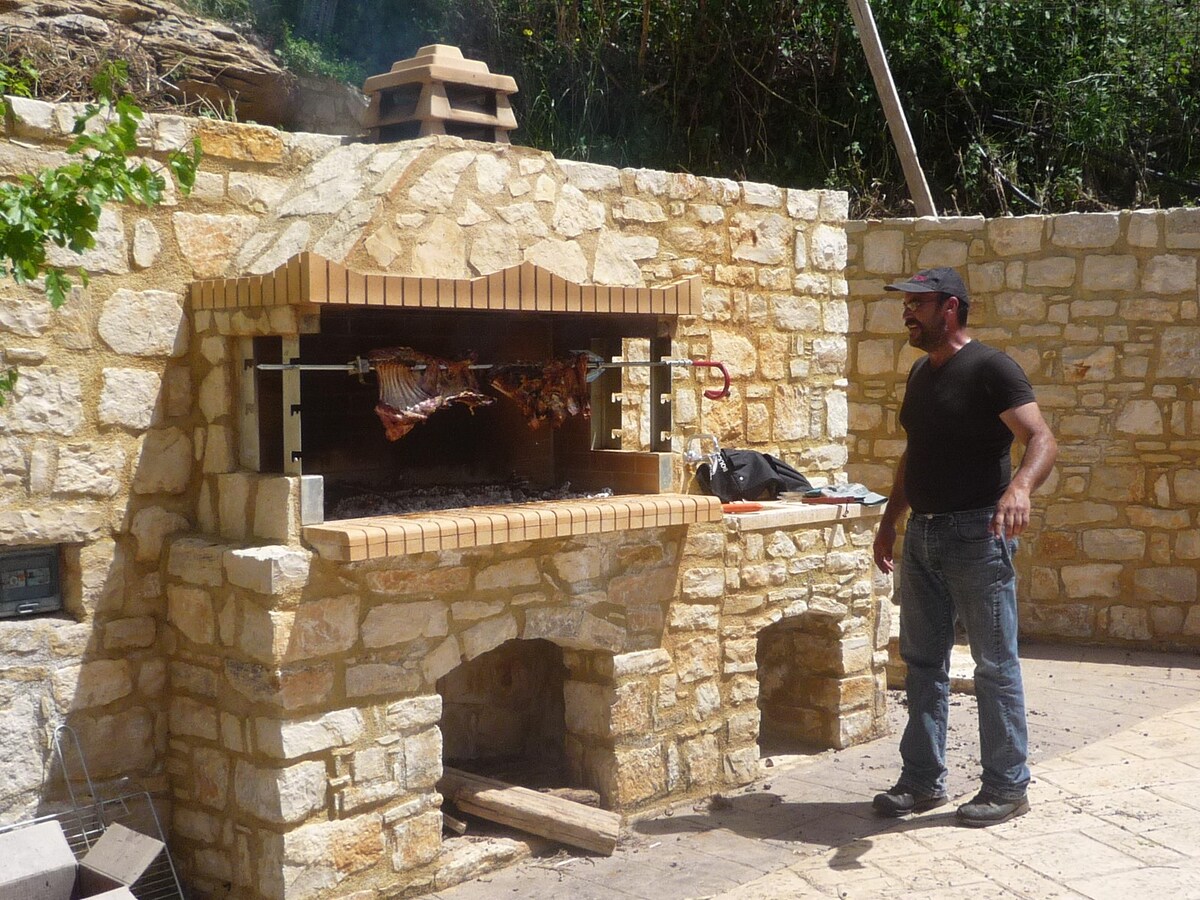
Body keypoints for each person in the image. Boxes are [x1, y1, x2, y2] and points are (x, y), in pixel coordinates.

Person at [871, 267, 1057, 827]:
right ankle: (922, 780)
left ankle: (1007, 786)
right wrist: (890, 521)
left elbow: (1041, 438)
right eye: (906, 304)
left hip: (978, 535)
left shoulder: (992, 368)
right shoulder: (919, 374)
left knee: (993, 665)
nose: (907, 313)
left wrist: (1019, 488)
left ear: (950, 307)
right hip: (923, 535)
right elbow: (915, 455)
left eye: (918, 303)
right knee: (922, 663)